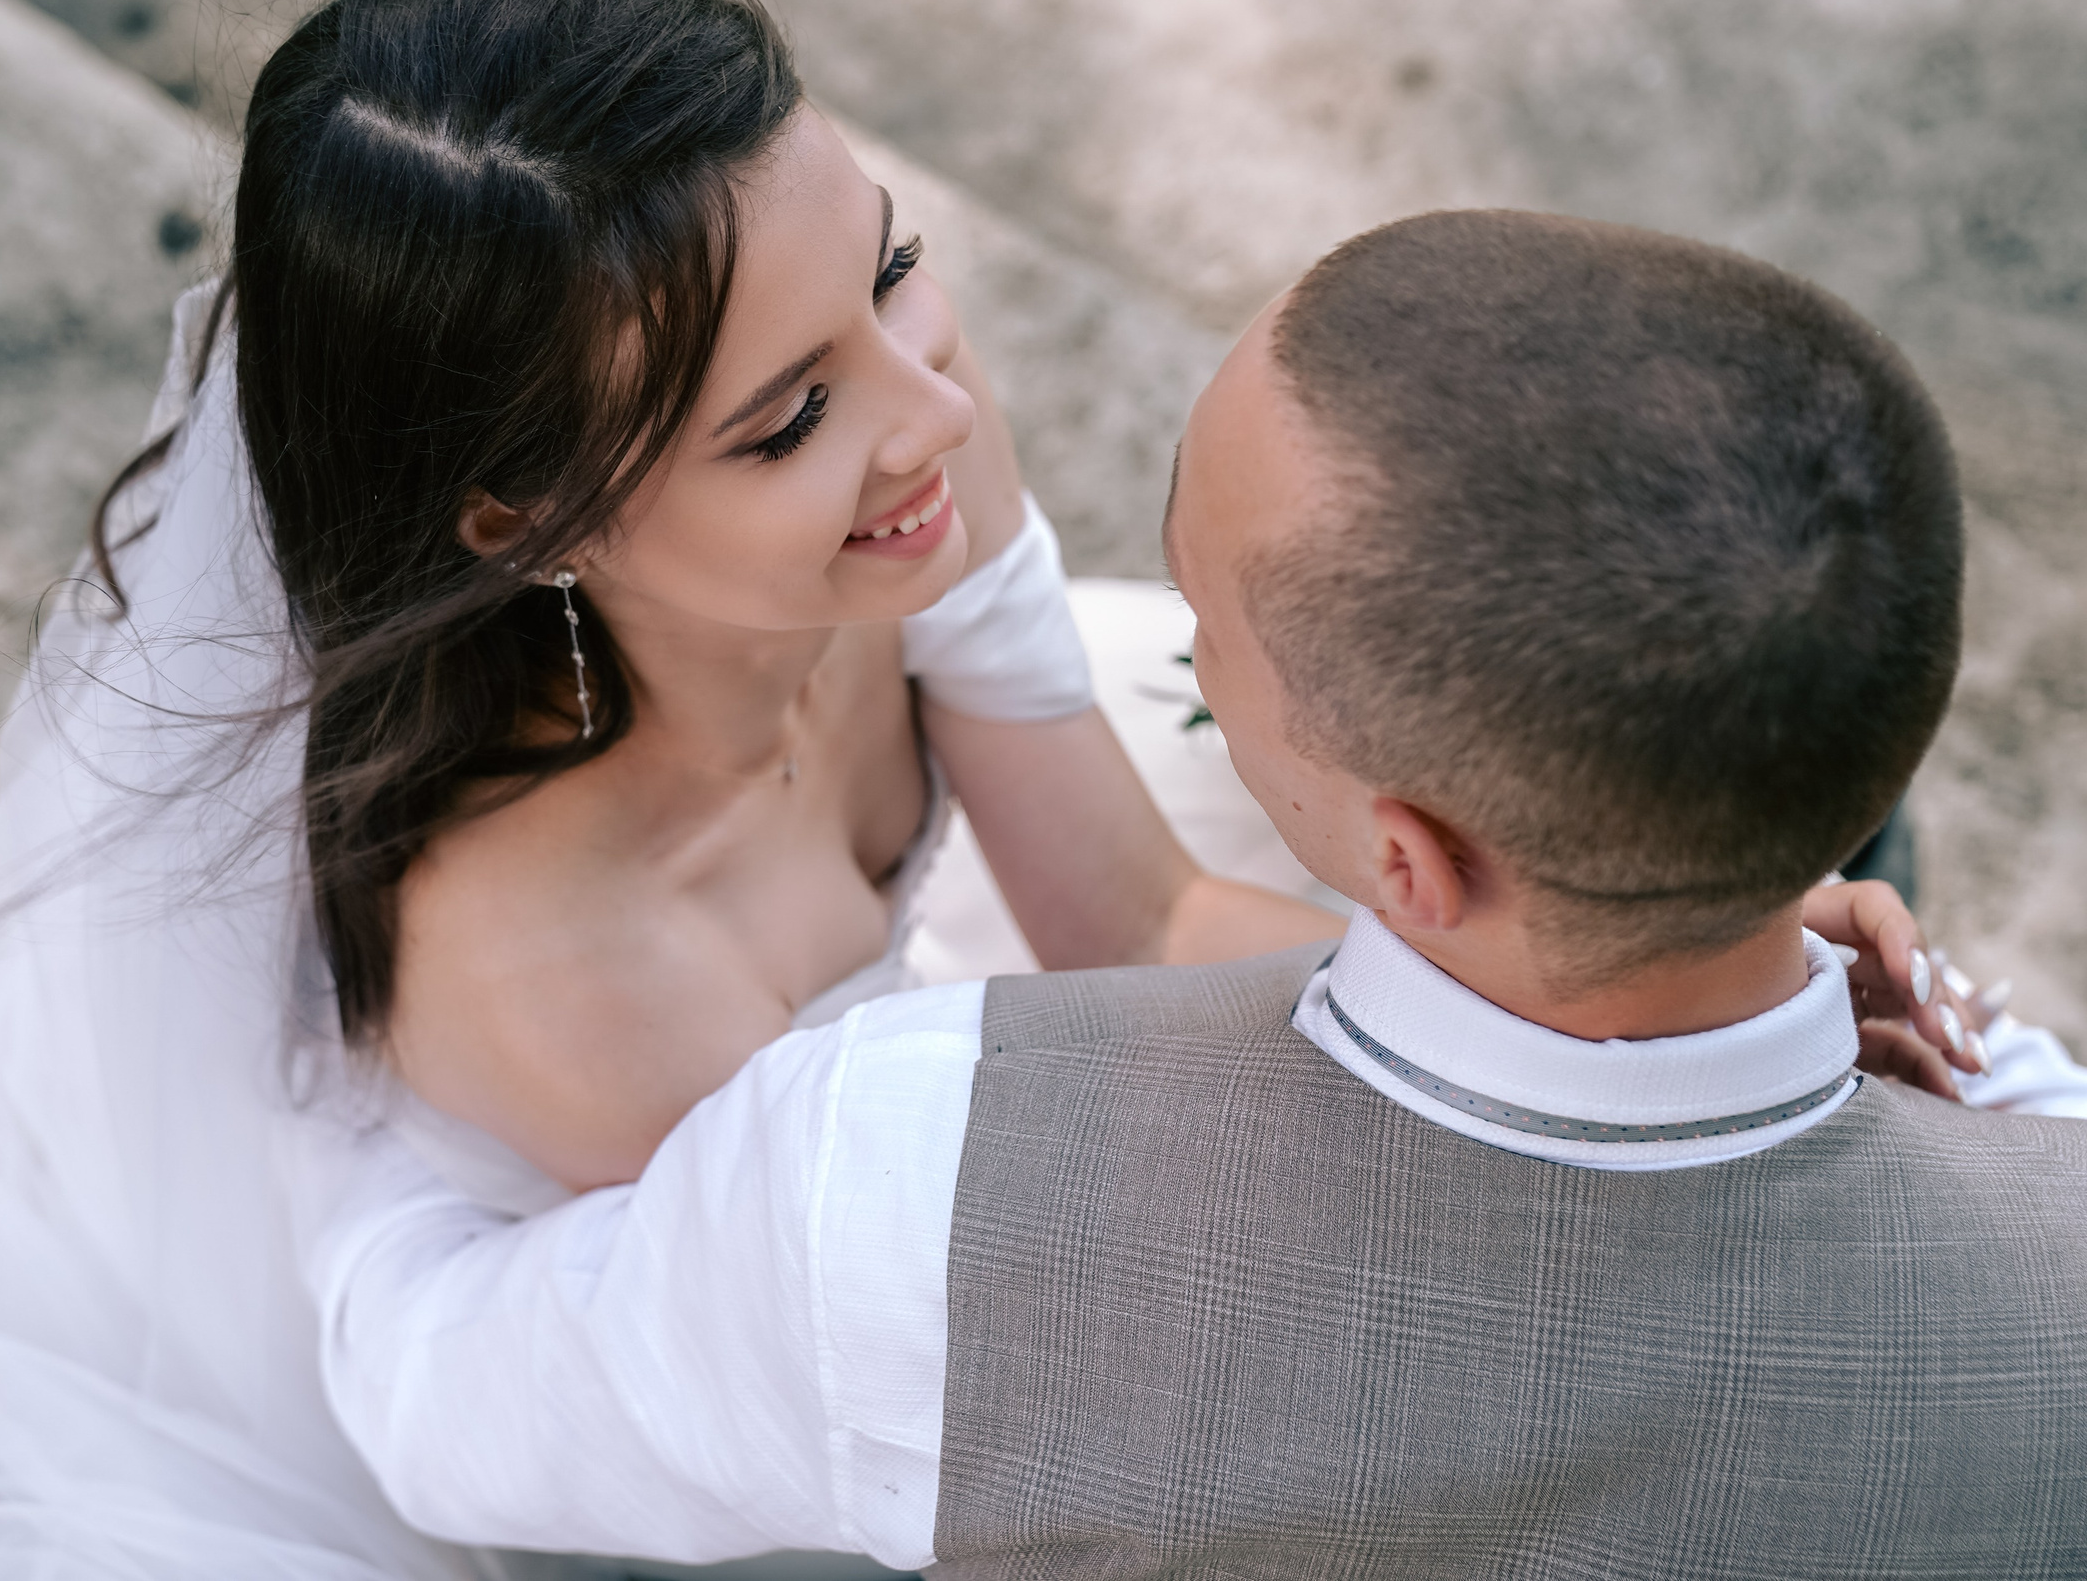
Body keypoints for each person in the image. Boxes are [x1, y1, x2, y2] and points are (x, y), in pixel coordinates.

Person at [309, 211, 2087, 1578]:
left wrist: (311, 1045)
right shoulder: (2046, 1184)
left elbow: (431, 1397)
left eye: (1204, 626)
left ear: (1408, 860)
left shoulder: (888, 1185)